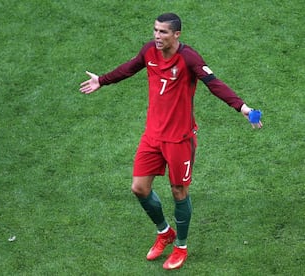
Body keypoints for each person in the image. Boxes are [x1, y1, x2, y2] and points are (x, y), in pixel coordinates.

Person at [79, 13, 262, 270]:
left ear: (177, 34)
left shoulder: (189, 58)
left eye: (163, 32)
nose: (157, 36)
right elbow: (129, 68)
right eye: (155, 30)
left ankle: (181, 247)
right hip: (152, 136)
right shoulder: (149, 52)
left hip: (179, 139)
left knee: (179, 191)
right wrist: (102, 80)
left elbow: (215, 84)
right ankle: (165, 233)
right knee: (139, 188)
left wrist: (244, 109)